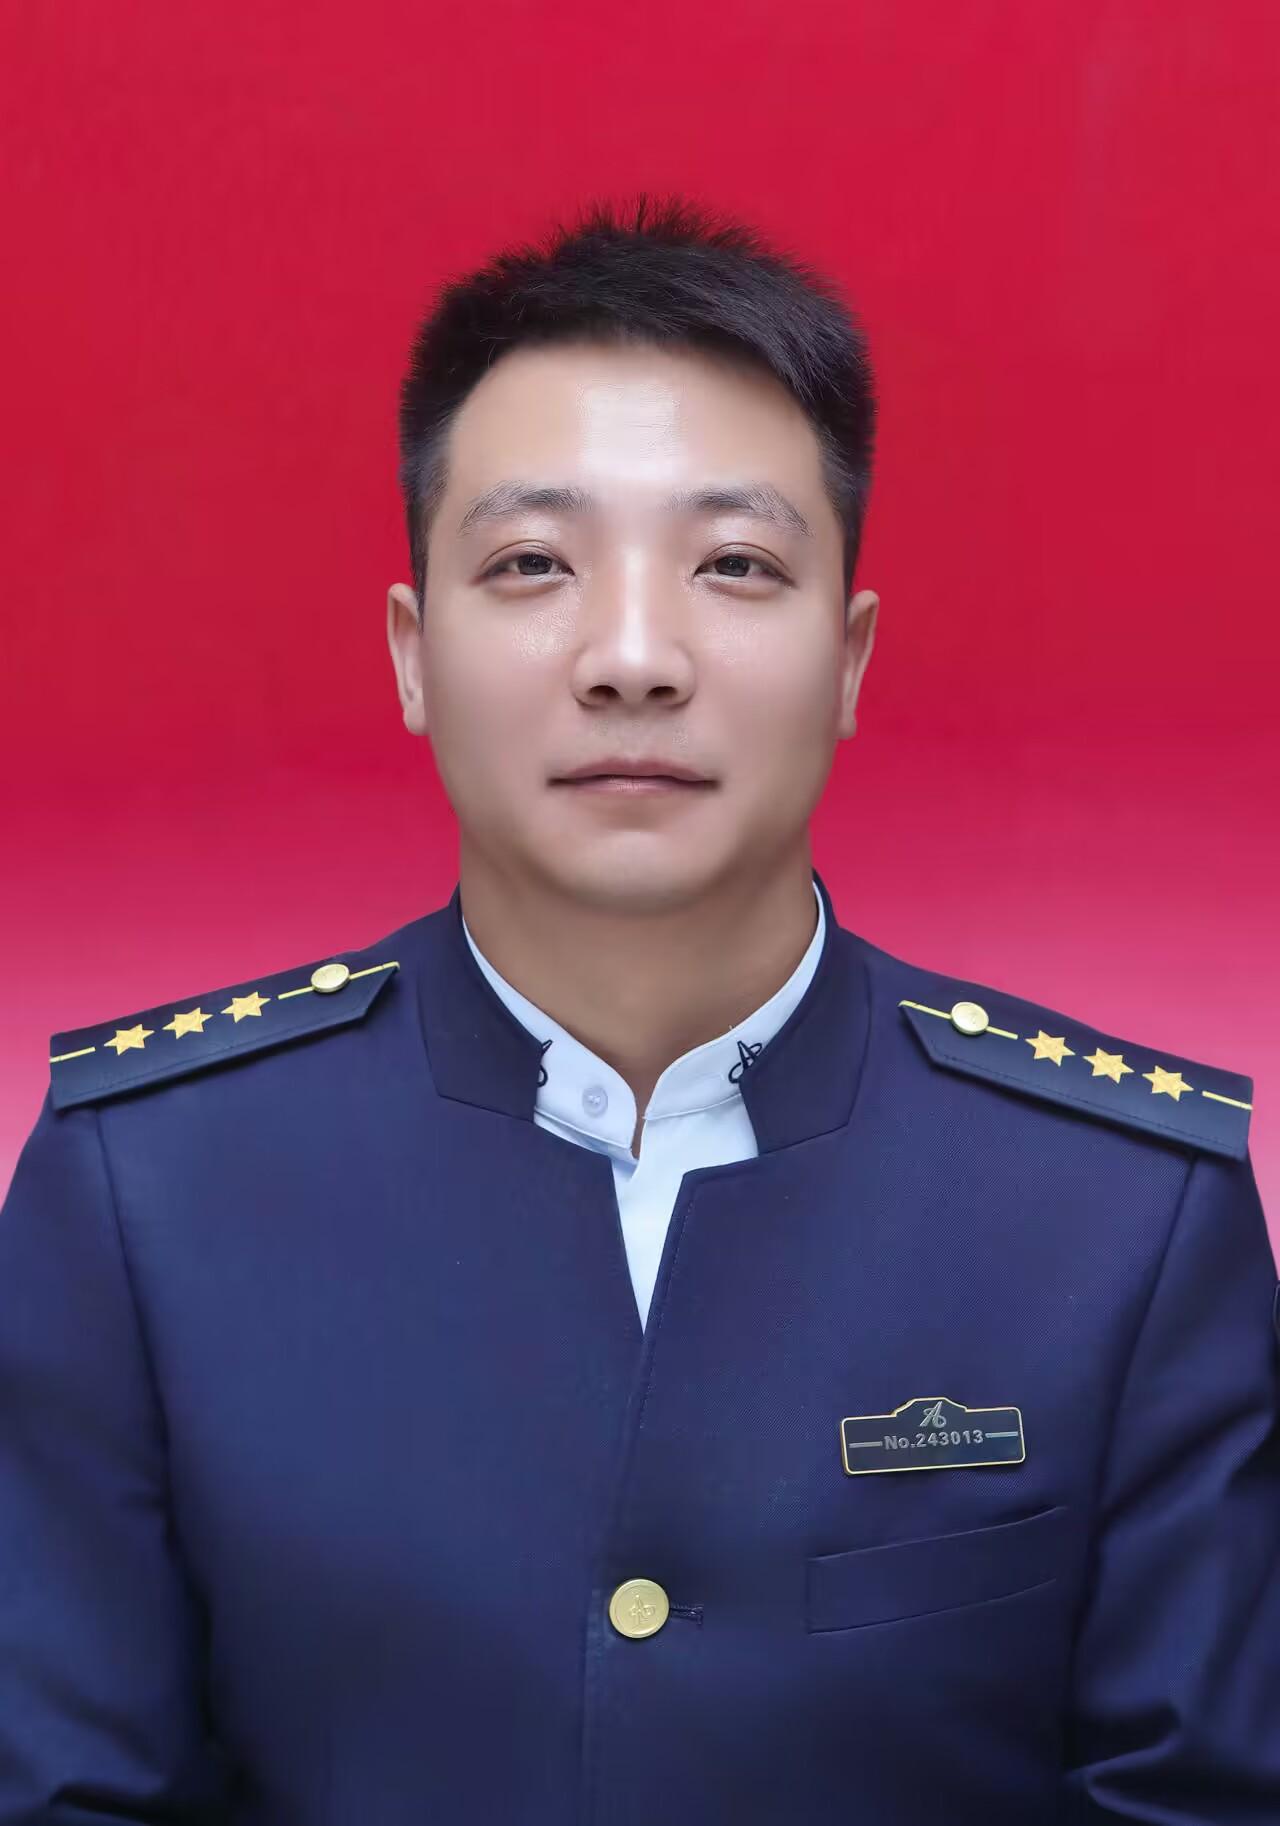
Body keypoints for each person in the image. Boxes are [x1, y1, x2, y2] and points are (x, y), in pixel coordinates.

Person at [1, 193, 1276, 1823]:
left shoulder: (1124, 1215)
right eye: (532, 563)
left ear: (849, 658)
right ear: (411, 652)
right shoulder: (147, 1194)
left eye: (734, 564)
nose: (630, 656)